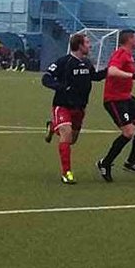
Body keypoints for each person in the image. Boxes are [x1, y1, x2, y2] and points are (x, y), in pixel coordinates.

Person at [42, 31, 106, 184]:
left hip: (80, 107)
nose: (90, 46)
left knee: (72, 140)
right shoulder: (64, 62)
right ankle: (67, 173)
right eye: (87, 43)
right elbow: (46, 78)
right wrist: (62, 87)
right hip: (62, 105)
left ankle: (53, 127)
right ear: (79, 45)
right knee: (66, 134)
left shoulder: (87, 63)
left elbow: (95, 77)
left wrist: (109, 70)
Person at [96, 30, 135, 180]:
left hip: (127, 98)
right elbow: (112, 71)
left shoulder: (129, 55)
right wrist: (133, 76)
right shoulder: (120, 53)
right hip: (114, 100)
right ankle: (105, 163)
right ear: (128, 39)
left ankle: (131, 161)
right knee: (129, 132)